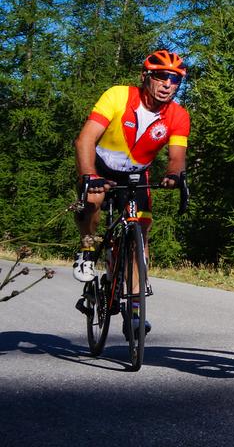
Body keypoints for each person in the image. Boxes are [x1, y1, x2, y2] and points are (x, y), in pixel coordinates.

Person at [73, 50, 190, 334]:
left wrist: (174, 175)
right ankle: (87, 249)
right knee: (93, 199)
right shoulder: (118, 96)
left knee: (141, 230)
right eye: (161, 76)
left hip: (136, 177)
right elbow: (84, 139)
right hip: (100, 167)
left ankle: (135, 311)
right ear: (145, 77)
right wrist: (89, 174)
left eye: (175, 79)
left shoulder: (178, 115)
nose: (167, 84)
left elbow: (177, 156)